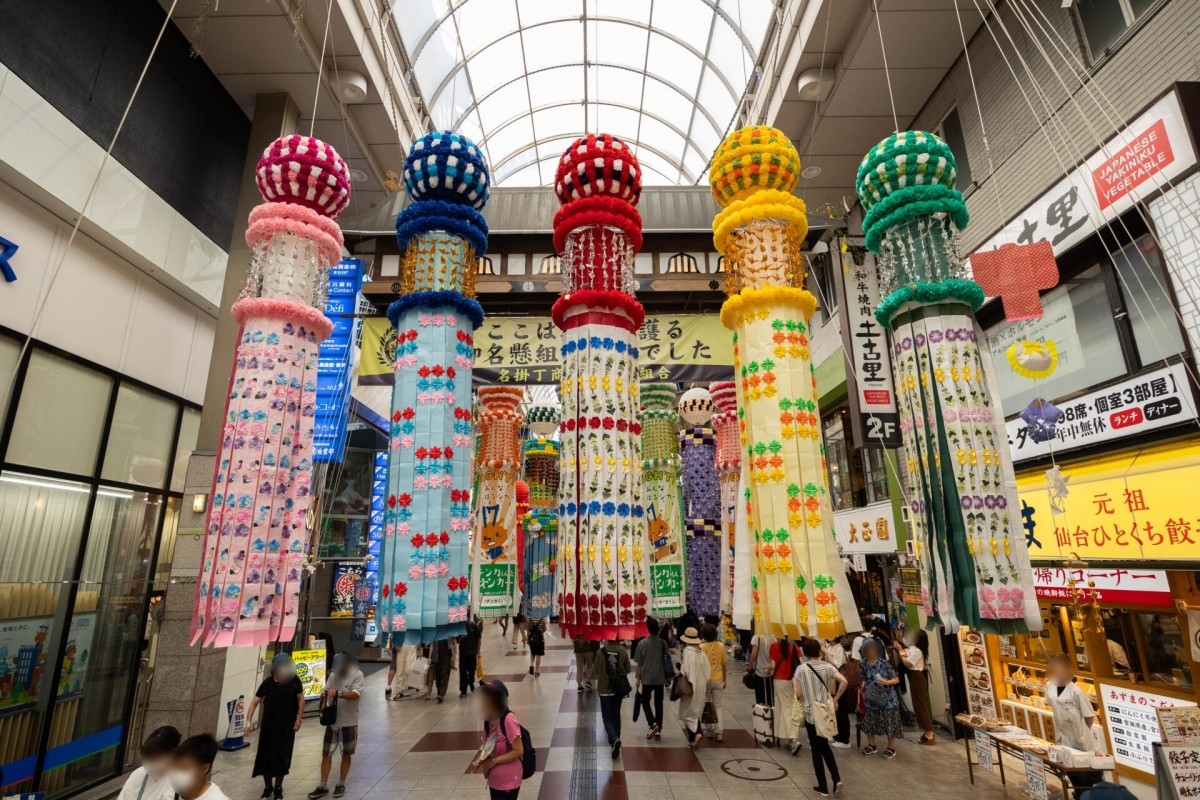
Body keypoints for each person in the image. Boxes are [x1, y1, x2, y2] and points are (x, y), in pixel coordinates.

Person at [793, 638, 847, 797]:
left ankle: (823, 786)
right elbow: (844, 681)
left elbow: (798, 694)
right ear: (818, 650)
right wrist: (835, 700)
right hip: (825, 712)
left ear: (804, 652)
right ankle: (836, 778)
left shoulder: (801, 669)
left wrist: (795, 685)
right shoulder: (827, 666)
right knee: (824, 746)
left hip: (811, 714)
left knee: (817, 751)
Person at [308, 653, 364, 799]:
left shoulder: (357, 674)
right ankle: (323, 785)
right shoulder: (333, 675)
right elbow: (326, 690)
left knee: (346, 753)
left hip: (349, 721)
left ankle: (341, 783)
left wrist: (338, 693)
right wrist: (323, 698)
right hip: (332, 721)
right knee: (326, 753)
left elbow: (356, 695)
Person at [1046, 653, 1103, 796]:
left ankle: (1086, 796)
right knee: (1071, 771)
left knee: (1086, 775)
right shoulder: (1050, 686)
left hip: (1081, 740)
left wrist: (1082, 733)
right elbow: (1051, 703)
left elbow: (1089, 715)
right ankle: (1078, 794)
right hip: (1063, 737)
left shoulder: (1076, 691)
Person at [248, 653, 304, 798]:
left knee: (282, 756)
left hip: (287, 726)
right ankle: (268, 787)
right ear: (275, 670)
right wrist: (248, 722)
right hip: (268, 726)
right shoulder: (267, 683)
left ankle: (278, 787)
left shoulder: (294, 681)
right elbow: (254, 702)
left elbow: (300, 699)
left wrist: (299, 718)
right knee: (265, 755)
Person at [469, 680, 525, 800]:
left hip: (509, 780)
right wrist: (479, 762)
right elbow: (488, 747)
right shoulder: (488, 720)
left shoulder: (508, 720)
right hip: (494, 781)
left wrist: (494, 761)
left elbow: (519, 751)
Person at [858, 639, 901, 759]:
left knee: (889, 722)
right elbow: (863, 678)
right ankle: (871, 745)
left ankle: (891, 748)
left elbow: (896, 679)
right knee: (870, 722)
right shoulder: (863, 664)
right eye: (868, 648)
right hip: (871, 698)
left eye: (873, 648)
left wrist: (886, 682)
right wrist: (862, 688)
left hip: (887, 698)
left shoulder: (884, 663)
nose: (870, 651)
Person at [117, 726, 181, 800]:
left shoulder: (180, 781)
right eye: (147, 759)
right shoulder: (139, 774)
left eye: (156, 758)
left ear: (173, 753)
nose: (151, 764)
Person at [593, 636, 632, 759]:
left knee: (607, 717)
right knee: (616, 715)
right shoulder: (623, 651)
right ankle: (616, 740)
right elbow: (628, 669)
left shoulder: (600, 652)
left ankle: (614, 739)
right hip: (618, 689)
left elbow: (595, 669)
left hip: (604, 689)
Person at [895, 629, 935, 745]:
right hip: (914, 678)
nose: (910, 635)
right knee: (917, 706)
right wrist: (900, 627)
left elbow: (907, 663)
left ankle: (929, 733)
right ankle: (927, 732)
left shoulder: (917, 651)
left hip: (917, 678)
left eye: (912, 634)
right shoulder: (911, 646)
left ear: (917, 639)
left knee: (920, 706)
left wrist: (900, 651)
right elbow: (899, 637)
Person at [632, 618, 669, 739]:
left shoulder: (642, 643)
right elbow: (667, 658)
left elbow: (639, 663)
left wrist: (638, 679)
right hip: (659, 677)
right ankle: (658, 729)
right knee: (659, 704)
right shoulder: (662, 643)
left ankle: (652, 723)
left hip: (647, 678)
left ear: (647, 629)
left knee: (645, 701)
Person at [677, 627, 711, 748]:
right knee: (695, 712)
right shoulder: (701, 653)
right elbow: (708, 671)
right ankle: (694, 737)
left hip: (689, 686)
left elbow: (685, 669)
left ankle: (697, 734)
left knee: (686, 712)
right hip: (701, 686)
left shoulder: (687, 651)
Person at [769, 634, 803, 753]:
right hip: (793, 681)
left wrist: (767, 670)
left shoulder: (774, 646)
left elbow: (773, 665)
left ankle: (793, 739)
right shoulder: (794, 647)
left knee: (785, 709)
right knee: (787, 707)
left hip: (780, 681)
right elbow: (801, 664)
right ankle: (784, 736)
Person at [169, 734, 228, 800]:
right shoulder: (170, 794)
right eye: (174, 766)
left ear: (205, 768)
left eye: (184, 768)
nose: (176, 773)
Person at [822, 637, 852, 749]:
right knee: (833, 711)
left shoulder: (839, 648)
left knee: (841, 710)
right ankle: (836, 735)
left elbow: (836, 665)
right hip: (831, 682)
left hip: (839, 683)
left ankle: (844, 740)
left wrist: (826, 653)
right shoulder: (828, 646)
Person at [700, 624, 727, 743]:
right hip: (718, 680)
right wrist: (725, 680)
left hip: (706, 681)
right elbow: (724, 665)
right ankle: (719, 732)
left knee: (707, 704)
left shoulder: (701, 647)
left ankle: (708, 729)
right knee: (718, 706)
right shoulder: (721, 646)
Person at [745, 624, 773, 706]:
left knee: (760, 698)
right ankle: (770, 712)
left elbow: (753, 656)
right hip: (771, 672)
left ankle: (762, 713)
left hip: (760, 672)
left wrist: (749, 669)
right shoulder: (773, 637)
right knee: (770, 697)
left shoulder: (757, 637)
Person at [459, 617, 483, 697]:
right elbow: (457, 641)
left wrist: (478, 651)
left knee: (472, 670)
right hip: (463, 653)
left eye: (467, 617)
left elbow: (479, 639)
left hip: (472, 652)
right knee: (463, 672)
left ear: (469, 617)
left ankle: (471, 682)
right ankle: (463, 690)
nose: (466, 619)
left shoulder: (474, 626)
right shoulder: (460, 627)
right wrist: (461, 638)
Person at [430, 638, 453, 703]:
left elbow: (452, 643)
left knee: (444, 673)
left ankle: (441, 693)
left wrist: (453, 656)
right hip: (436, 656)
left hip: (446, 656)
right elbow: (432, 645)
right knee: (438, 674)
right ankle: (439, 691)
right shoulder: (435, 634)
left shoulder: (447, 633)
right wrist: (429, 657)